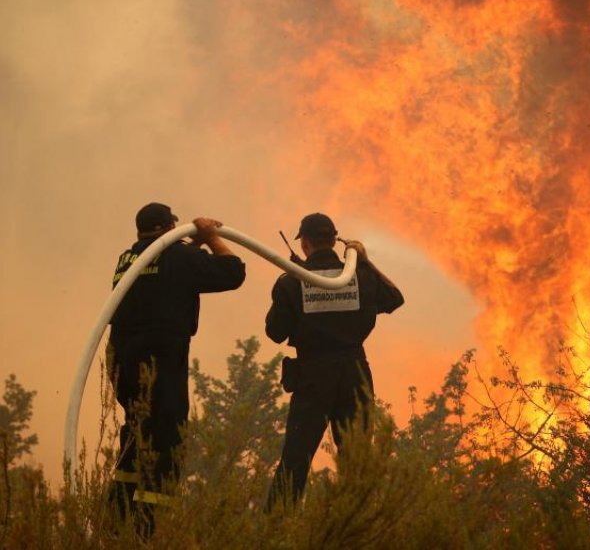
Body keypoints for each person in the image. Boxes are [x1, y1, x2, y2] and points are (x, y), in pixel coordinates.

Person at [106, 202, 246, 530]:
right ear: (170, 228)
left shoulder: (128, 258)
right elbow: (233, 271)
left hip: (124, 364)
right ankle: (151, 530)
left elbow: (166, 272)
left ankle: (115, 522)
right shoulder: (180, 258)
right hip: (162, 363)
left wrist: (191, 246)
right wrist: (210, 236)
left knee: (136, 434)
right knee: (166, 440)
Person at [265, 212, 404, 507]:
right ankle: (356, 526)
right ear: (334, 240)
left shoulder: (291, 282)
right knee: (357, 460)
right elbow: (394, 297)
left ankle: (275, 528)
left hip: (313, 376)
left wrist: (293, 286)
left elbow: (274, 332)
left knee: (295, 460)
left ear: (304, 243)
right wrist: (363, 260)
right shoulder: (361, 275)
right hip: (355, 374)